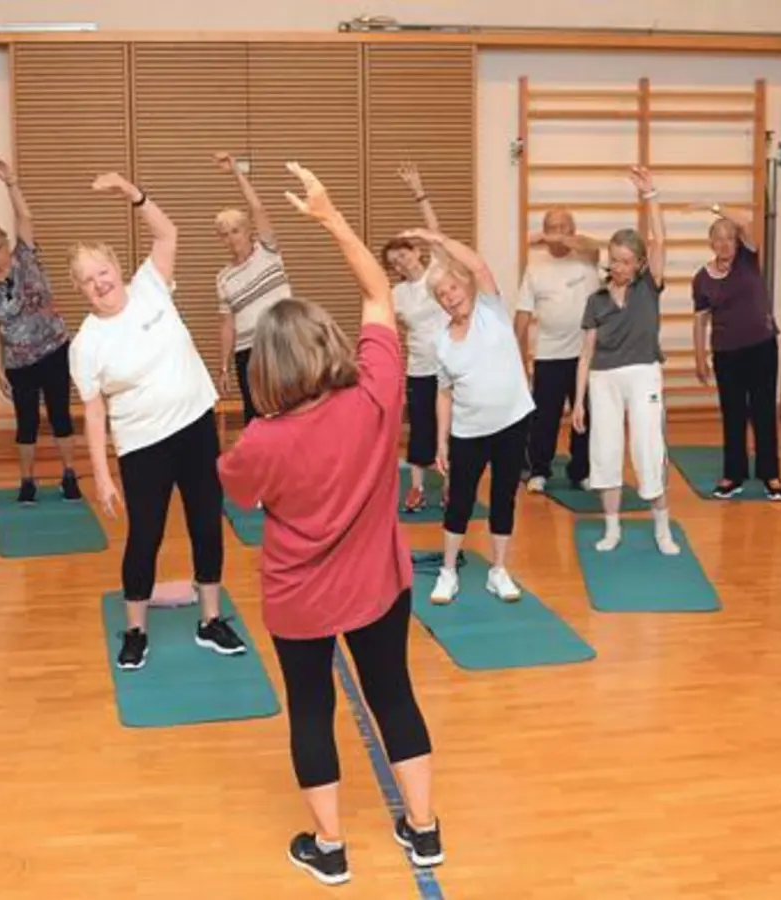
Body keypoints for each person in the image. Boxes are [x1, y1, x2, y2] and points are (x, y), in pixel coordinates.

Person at [218, 162, 441, 887]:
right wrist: (329, 214)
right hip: (379, 585)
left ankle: (331, 846)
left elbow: (240, 494)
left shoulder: (260, 443)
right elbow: (379, 292)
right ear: (327, 342)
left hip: (301, 601)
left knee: (311, 710)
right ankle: (425, 831)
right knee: (394, 695)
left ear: (268, 369)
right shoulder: (376, 392)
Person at [69, 171, 247, 670]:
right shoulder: (86, 343)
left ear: (115, 267)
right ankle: (135, 629)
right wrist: (102, 474)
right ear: (80, 288)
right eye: (87, 279)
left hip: (194, 427)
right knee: (144, 535)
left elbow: (168, 233)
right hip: (142, 445)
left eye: (102, 271)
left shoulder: (149, 284)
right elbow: (94, 410)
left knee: (206, 525)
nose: (99, 283)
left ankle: (211, 620)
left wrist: (134, 195)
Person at [406, 226, 533, 605]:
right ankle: (448, 571)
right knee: (459, 499)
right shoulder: (442, 341)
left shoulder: (491, 311)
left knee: (503, 496)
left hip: (512, 421)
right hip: (469, 430)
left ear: (467, 287)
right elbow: (444, 393)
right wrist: (442, 440)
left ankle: (499, 570)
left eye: (453, 290)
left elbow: (477, 265)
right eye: (442, 295)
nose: (449, 298)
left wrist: (437, 240)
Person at [573, 167, 679, 555]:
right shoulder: (596, 301)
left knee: (648, 448)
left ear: (638, 264)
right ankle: (612, 528)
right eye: (613, 260)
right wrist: (578, 401)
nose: (617, 266)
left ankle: (662, 528)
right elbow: (586, 354)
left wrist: (651, 196)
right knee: (605, 451)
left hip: (643, 374)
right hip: (603, 380)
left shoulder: (648, 288)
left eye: (625, 261)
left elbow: (661, 240)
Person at [0, 158, 83, 504]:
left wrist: (11, 184)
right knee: (26, 423)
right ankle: (27, 482)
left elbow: (26, 217)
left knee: (60, 415)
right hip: (19, 362)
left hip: (53, 349)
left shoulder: (27, 256)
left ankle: (69, 475)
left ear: (7, 244)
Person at [690, 203, 781, 500]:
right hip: (726, 354)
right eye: (718, 238)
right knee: (733, 414)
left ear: (737, 242)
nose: (724, 243)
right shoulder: (702, 278)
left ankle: (770, 474)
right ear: (710, 244)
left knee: (763, 411)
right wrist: (699, 358)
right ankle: (734, 474)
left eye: (729, 238)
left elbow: (744, 221)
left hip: (761, 347)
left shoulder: (748, 259)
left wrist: (715, 208)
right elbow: (700, 320)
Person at [515, 208, 602, 493]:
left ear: (573, 229)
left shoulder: (588, 259)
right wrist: (518, 357)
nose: (559, 231)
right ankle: (540, 470)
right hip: (549, 355)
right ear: (544, 229)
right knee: (544, 418)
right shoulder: (536, 267)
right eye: (553, 227)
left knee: (586, 416)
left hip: (586, 355)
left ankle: (581, 471)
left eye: (565, 226)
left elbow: (592, 245)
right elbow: (524, 314)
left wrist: (556, 236)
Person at [385, 162, 448, 512]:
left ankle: (454, 485)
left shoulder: (437, 271)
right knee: (421, 429)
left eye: (405, 254)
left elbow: (435, 231)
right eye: (394, 261)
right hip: (420, 369)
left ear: (418, 252)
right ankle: (418, 489)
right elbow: (385, 329)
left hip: (451, 367)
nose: (401, 262)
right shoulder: (397, 294)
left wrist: (418, 191)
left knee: (452, 428)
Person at [214, 152, 293, 425]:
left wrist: (237, 171)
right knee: (256, 415)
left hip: (280, 340)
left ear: (248, 230)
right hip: (247, 352)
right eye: (223, 234)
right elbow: (227, 324)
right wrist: (223, 367)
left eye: (235, 230)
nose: (230, 238)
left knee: (287, 407)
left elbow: (258, 207)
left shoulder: (267, 251)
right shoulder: (223, 277)